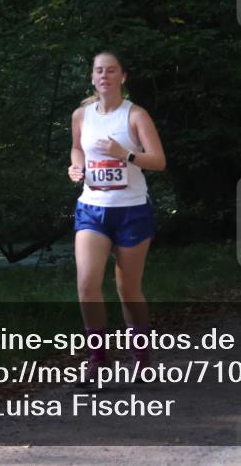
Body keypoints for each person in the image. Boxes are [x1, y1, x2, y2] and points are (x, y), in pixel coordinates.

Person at [67, 51, 166, 380]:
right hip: (92, 209)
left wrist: (125, 154)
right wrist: (77, 165)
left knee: (128, 288)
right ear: (92, 77)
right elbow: (77, 147)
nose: (104, 76)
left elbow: (158, 161)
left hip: (132, 211)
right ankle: (98, 358)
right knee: (86, 284)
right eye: (99, 71)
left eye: (111, 71)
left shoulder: (136, 115)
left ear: (123, 76)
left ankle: (140, 356)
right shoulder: (81, 115)